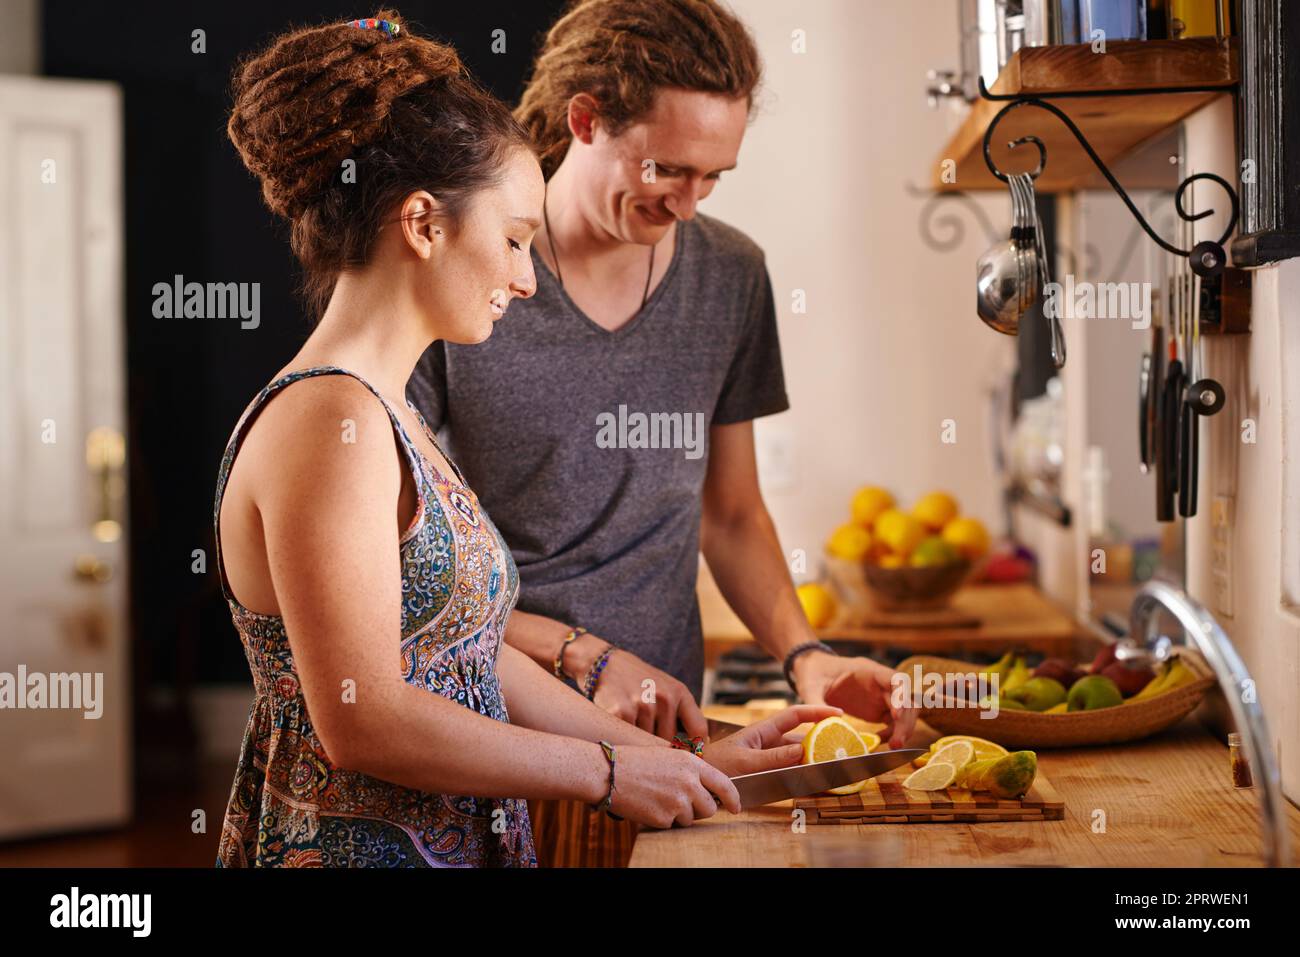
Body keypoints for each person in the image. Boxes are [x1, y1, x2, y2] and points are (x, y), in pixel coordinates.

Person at [213, 10, 830, 868]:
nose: (525, 277)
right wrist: (608, 771)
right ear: (424, 225)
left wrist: (677, 761)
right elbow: (364, 719)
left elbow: (469, 658)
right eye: (511, 240)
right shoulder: (333, 421)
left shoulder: (381, 412)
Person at [407, 0, 917, 867]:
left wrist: (806, 654)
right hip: (490, 721)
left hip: (667, 731)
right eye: (669, 169)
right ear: (585, 120)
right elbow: (408, 566)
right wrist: (585, 657)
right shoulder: (469, 275)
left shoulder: (732, 277)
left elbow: (731, 515)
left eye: (714, 177)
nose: (688, 203)